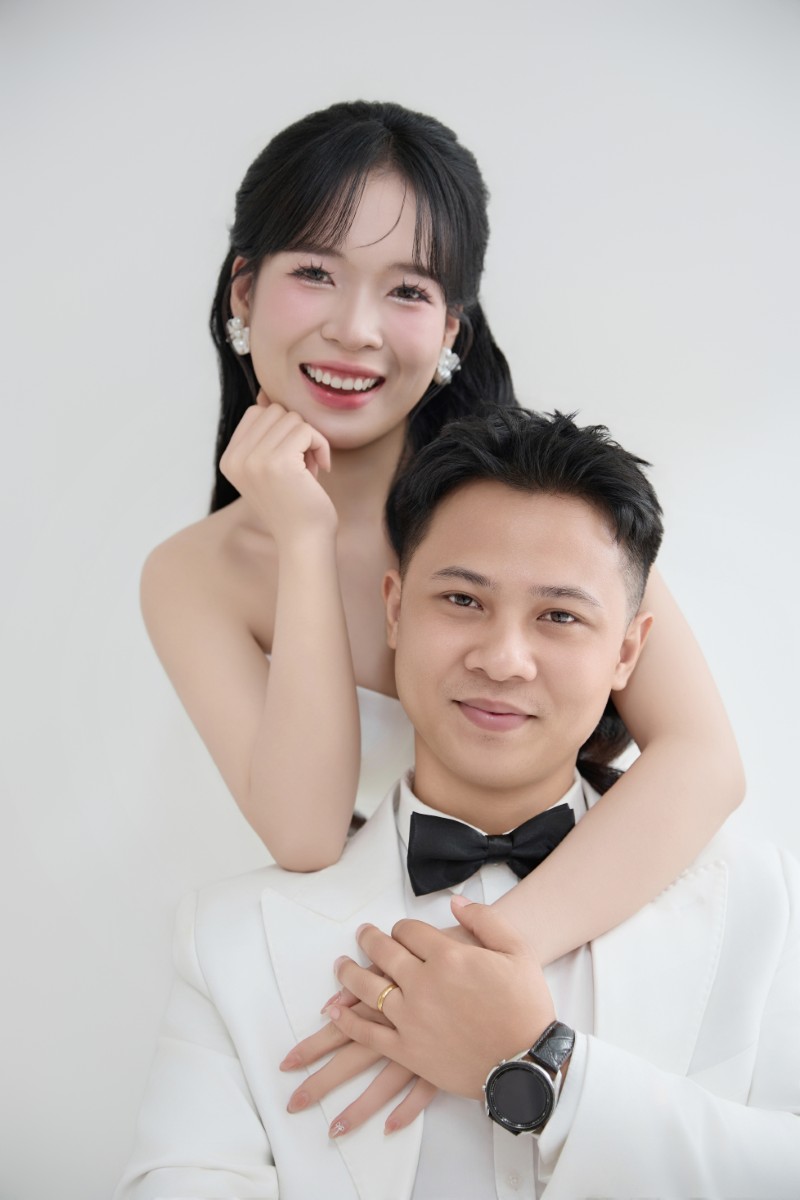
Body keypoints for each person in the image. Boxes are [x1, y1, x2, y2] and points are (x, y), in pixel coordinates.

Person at [141, 100, 743, 1128]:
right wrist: (300, 537)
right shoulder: (194, 575)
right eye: (315, 272)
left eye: (408, 290)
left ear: (454, 327)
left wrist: (487, 964)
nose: (355, 329)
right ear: (243, 288)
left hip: (583, 941)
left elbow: (704, 760)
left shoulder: (530, 503)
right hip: (340, 976)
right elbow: (303, 832)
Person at [115, 410, 799, 1198]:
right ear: (395, 610)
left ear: (627, 652)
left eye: (559, 616)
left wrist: (545, 1068)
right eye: (464, 601)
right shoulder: (230, 939)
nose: (503, 659)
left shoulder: (762, 904)